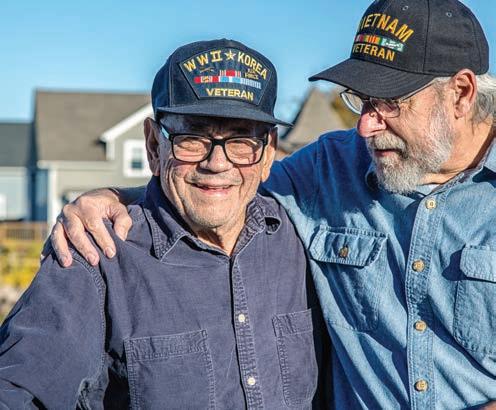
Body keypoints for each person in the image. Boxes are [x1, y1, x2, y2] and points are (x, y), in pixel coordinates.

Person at [52, 0, 496, 408]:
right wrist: (112, 197)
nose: (365, 126)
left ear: (460, 93)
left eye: (390, 104)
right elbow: (225, 180)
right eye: (362, 102)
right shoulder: (330, 167)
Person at [0, 39, 330, 409]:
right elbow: (16, 390)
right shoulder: (94, 258)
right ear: (154, 146)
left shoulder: (306, 239)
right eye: (193, 138)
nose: (217, 164)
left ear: (268, 152)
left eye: (241, 140)